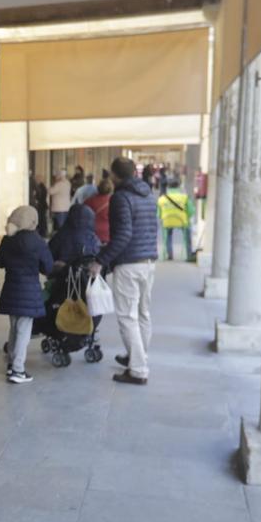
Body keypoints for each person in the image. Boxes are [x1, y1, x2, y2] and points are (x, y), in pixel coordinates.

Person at [89, 157, 159, 386]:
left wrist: (101, 260)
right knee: (143, 313)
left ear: (114, 175)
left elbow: (123, 235)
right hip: (149, 261)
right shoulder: (148, 194)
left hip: (129, 263)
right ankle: (137, 356)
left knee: (128, 316)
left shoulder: (120, 197)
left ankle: (138, 369)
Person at [0, 206, 54, 385]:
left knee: (14, 329)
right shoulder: (38, 242)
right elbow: (48, 267)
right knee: (23, 331)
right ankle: (18, 370)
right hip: (29, 292)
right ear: (33, 222)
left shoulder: (8, 240)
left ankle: (12, 364)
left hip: (11, 290)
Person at [157, 177, 196, 262]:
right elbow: (191, 211)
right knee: (187, 235)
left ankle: (169, 255)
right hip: (182, 221)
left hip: (167, 221)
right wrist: (187, 217)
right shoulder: (184, 197)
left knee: (168, 235)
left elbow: (159, 214)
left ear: (168, 187)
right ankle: (189, 254)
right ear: (179, 186)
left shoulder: (161, 199)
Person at [84, 178, 114, 245]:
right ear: (111, 189)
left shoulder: (89, 201)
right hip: (108, 234)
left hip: (92, 233)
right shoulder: (114, 202)